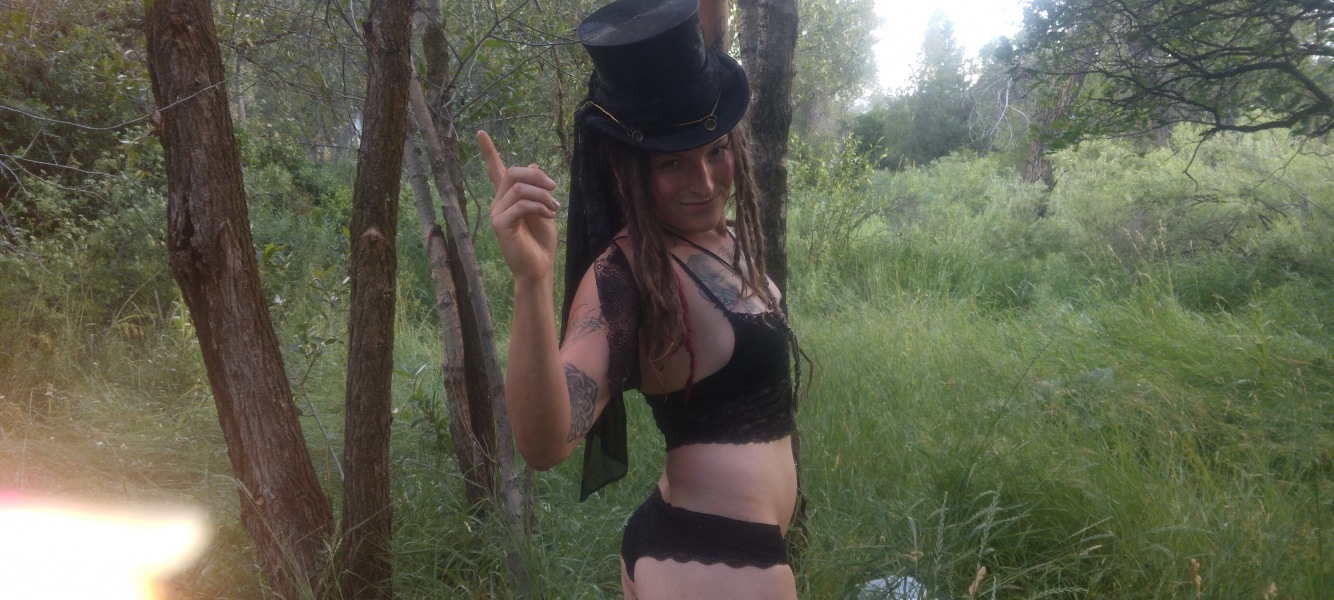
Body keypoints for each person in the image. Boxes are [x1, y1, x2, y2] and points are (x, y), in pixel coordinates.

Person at [479, 0, 802, 597]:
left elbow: (712, 30)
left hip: (717, 555)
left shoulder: (721, 237)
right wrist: (532, 282)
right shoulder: (631, 272)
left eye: (715, 150)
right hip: (709, 567)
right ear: (625, 167)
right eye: (672, 162)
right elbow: (545, 442)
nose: (704, 182)